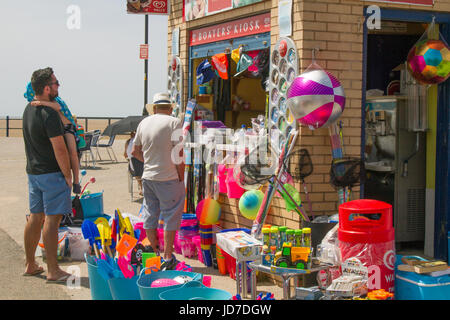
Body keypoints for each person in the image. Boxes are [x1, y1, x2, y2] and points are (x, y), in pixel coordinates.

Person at [22, 67, 73, 282]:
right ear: (46, 88)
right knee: (52, 220)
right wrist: (68, 175)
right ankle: (53, 270)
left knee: (35, 217)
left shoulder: (28, 110)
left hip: (34, 172)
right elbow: (59, 149)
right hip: (51, 174)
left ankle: (31, 263)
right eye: (55, 83)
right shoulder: (49, 114)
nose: (58, 86)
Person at [132, 92, 185, 270]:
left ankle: (152, 255)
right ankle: (168, 256)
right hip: (168, 178)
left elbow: (134, 152)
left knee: (150, 214)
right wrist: (181, 177)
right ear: (170, 109)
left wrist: (149, 162)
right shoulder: (174, 122)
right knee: (171, 215)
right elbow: (178, 155)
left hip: (148, 177)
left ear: (154, 108)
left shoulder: (144, 123)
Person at [24, 82, 81, 194]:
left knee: (73, 153)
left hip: (68, 127)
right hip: (59, 128)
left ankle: (76, 181)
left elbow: (58, 107)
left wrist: (42, 102)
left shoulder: (53, 101)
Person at [124, 131, 143, 196]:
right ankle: (143, 187)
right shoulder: (143, 141)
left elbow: (125, 155)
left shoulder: (128, 142)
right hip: (145, 169)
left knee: (134, 167)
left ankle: (141, 187)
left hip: (134, 169)